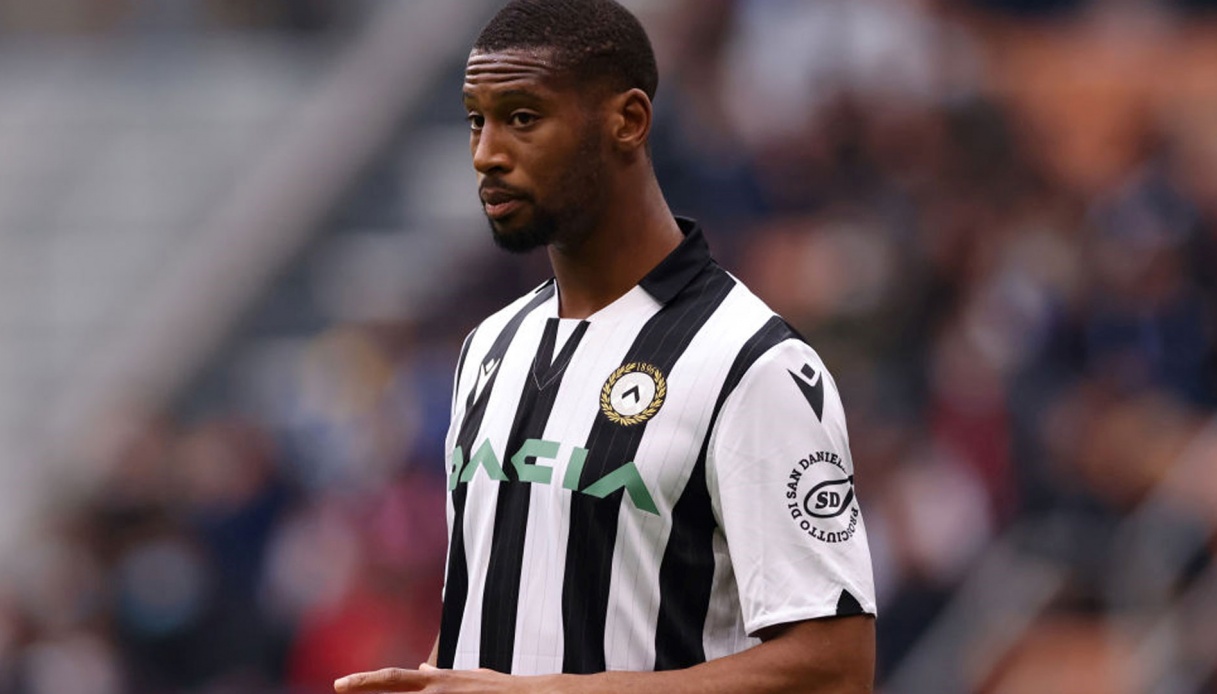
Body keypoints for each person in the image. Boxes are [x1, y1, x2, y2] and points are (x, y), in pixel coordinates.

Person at [335, 0, 876, 691]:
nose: (486, 153)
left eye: (522, 117)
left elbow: (835, 669)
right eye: (476, 119)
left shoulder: (752, 364)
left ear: (628, 121)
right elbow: (487, 617)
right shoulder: (489, 348)